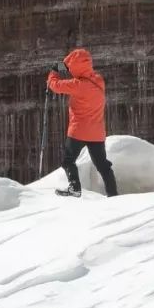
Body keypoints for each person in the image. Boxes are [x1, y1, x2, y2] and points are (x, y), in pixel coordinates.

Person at [46, 48, 119, 198]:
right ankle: (113, 195)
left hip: (78, 131)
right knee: (103, 166)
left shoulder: (77, 85)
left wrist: (54, 70)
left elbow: (54, 85)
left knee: (68, 161)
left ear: (76, 67)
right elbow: (81, 70)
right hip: (97, 133)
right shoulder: (99, 81)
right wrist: (67, 65)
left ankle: (75, 187)